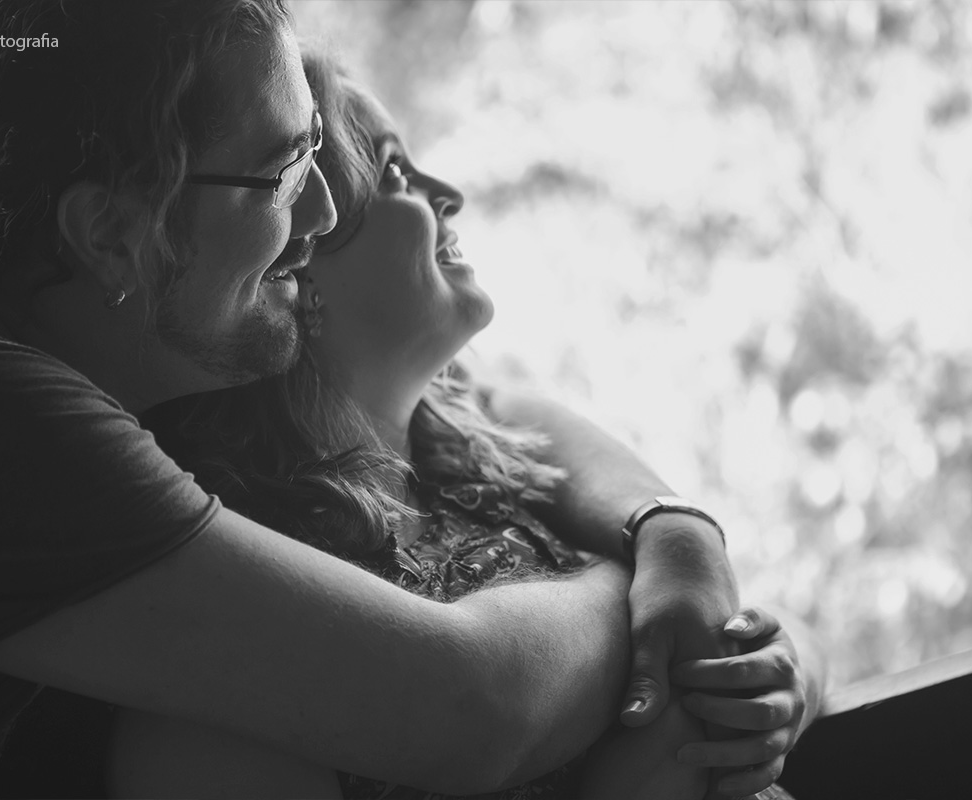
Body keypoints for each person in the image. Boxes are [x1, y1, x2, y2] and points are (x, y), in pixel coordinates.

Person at [0, 1, 746, 797]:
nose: (322, 214)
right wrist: (638, 589)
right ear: (110, 234)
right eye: (283, 173)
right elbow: (470, 712)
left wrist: (678, 534)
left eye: (318, 149)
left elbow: (482, 399)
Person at [111, 51, 827, 799]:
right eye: (393, 173)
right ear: (294, 257)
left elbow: (750, 631)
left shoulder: (508, 466)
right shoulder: (242, 650)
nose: (447, 195)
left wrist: (783, 673)